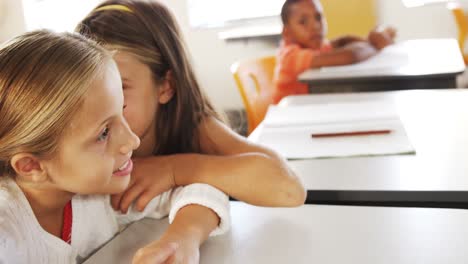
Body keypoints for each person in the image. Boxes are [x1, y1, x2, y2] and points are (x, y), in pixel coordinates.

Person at [0, 30, 230, 264]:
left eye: (122, 111)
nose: (132, 141)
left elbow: (203, 191)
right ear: (32, 165)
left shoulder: (100, 193)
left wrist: (182, 239)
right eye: (104, 133)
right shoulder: (7, 235)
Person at [76, 0, 306, 214]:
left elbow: (288, 189)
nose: (96, 107)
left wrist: (174, 170)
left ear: (166, 86)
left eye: (118, 88)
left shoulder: (191, 128)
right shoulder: (77, 139)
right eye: (83, 89)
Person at [273, 0, 396, 103]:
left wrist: (370, 40)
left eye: (318, 17)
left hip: (308, 110)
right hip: (289, 117)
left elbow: (343, 41)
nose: (315, 26)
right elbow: (349, 56)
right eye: (303, 22)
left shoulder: (317, 47)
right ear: (287, 33)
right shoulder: (290, 56)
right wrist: (375, 45)